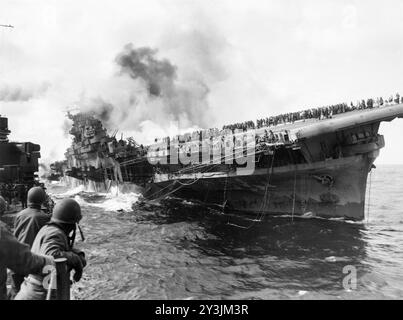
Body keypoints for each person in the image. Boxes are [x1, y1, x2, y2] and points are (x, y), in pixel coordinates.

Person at [15, 198, 86, 300]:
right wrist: (75, 260)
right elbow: (50, 255)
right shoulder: (55, 233)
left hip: (35, 291)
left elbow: (61, 249)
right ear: (71, 224)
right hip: (41, 294)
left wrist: (78, 254)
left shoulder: (48, 229)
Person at [0, 196, 53, 300]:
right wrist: (49, 262)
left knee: (15, 288)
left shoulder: (20, 214)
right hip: (25, 255)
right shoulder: (1, 231)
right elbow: (26, 261)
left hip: (16, 255)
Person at [10, 187, 51, 296]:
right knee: (40, 292)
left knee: (16, 291)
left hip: (16, 259)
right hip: (32, 261)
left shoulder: (20, 214)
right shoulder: (44, 217)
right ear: (42, 200)